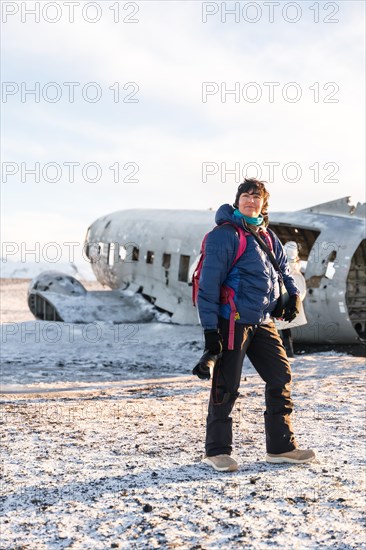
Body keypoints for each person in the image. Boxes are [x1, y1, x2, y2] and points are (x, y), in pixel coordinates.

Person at [197, 179, 315, 472]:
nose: (251, 200)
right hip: (233, 320)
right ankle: (217, 451)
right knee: (227, 384)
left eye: (256, 196)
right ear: (237, 201)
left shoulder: (267, 235)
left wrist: (293, 297)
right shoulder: (223, 236)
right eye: (245, 195)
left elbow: (284, 271)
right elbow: (208, 286)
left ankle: (280, 447)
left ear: (264, 203)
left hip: (262, 320)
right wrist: (211, 332)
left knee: (280, 377)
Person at [275, 241, 308, 358]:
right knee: (285, 328)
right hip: (290, 297)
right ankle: (288, 350)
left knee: (279, 327)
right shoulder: (296, 265)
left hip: (282, 297)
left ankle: (284, 351)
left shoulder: (283, 263)